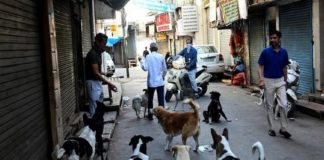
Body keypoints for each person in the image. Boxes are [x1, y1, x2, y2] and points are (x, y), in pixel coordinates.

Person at [258, 30, 291, 138]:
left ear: (279, 39)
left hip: (280, 80)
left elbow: (284, 66)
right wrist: (261, 80)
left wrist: (285, 80)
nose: (272, 40)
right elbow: (260, 66)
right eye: (271, 38)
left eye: (275, 38)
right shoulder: (265, 52)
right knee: (270, 106)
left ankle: (283, 128)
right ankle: (271, 128)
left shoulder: (284, 52)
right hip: (268, 81)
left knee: (284, 104)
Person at [85, 33, 117, 118]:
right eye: (104, 43)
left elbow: (98, 71)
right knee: (94, 107)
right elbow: (95, 72)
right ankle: (93, 126)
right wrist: (109, 83)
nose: (105, 45)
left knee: (99, 105)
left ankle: (98, 125)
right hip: (92, 82)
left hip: (97, 82)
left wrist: (105, 73)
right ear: (97, 42)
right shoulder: (93, 54)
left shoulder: (98, 53)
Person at [139, 42, 167, 120]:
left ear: (150, 49)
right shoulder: (161, 56)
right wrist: (163, 77)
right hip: (160, 82)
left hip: (151, 82)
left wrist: (141, 61)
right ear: (157, 49)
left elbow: (145, 68)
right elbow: (165, 69)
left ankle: (150, 115)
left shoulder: (148, 57)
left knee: (150, 99)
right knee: (161, 99)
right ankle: (162, 115)